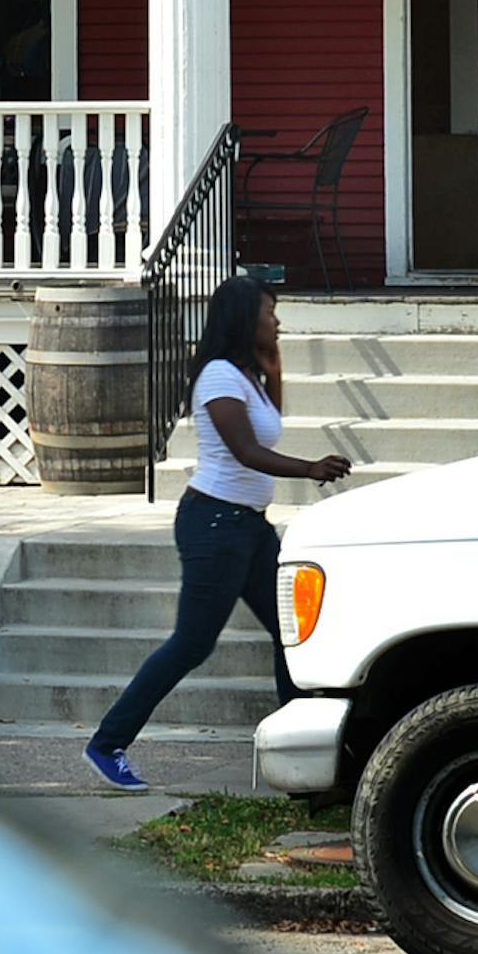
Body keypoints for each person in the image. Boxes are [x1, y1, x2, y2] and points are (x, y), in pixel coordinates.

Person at [82, 275, 348, 792]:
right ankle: (107, 743)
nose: (277, 321)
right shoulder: (218, 376)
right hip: (214, 525)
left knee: (291, 634)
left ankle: (305, 761)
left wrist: (274, 370)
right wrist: (310, 468)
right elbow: (248, 451)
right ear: (244, 319)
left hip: (248, 525)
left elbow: (266, 426)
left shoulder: (247, 375)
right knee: (192, 644)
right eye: (269, 312)